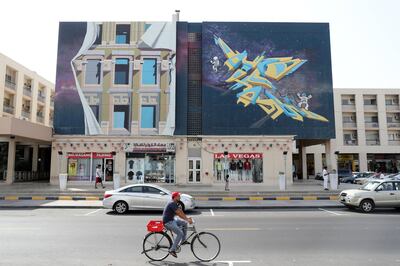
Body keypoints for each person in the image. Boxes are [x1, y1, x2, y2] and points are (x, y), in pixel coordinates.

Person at [162, 192, 193, 258]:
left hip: (172, 220)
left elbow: (181, 211)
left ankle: (183, 240)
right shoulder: (172, 203)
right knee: (180, 233)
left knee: (184, 223)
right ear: (175, 197)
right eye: (179, 196)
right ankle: (172, 250)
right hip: (168, 222)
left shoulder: (175, 203)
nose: (180, 197)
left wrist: (187, 219)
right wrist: (187, 219)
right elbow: (179, 213)